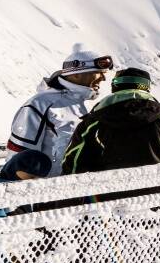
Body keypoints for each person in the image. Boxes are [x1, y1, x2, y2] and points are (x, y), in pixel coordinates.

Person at [62, 68, 160, 174]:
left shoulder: (93, 123)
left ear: (115, 87)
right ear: (146, 87)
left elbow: (73, 162)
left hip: (107, 195)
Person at [7, 46, 113, 175]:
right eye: (98, 72)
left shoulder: (84, 105)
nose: (103, 78)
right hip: (51, 184)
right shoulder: (40, 103)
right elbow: (19, 156)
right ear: (76, 74)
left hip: (81, 182)